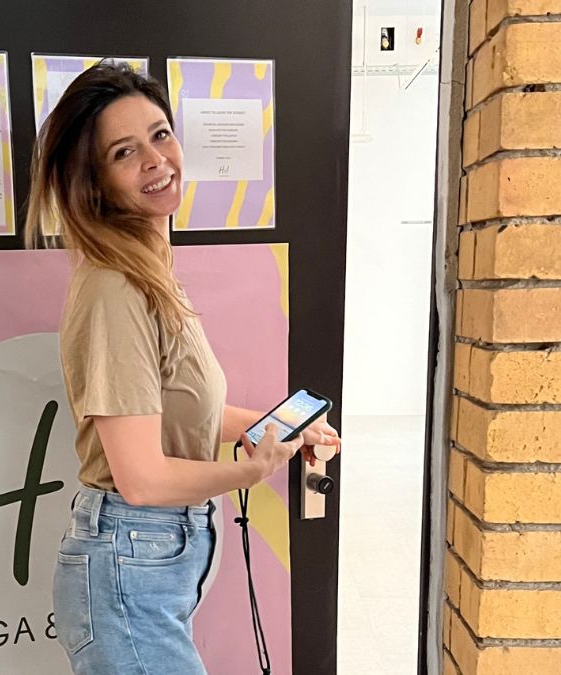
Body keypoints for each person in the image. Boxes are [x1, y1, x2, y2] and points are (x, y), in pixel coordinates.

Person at [24, 61, 341, 675]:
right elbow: (139, 477)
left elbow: (182, 413)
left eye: (160, 134)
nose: (155, 159)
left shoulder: (149, 273)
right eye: (124, 151)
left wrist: (281, 427)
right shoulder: (116, 288)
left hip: (148, 560)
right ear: (95, 184)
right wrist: (251, 470)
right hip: (128, 565)